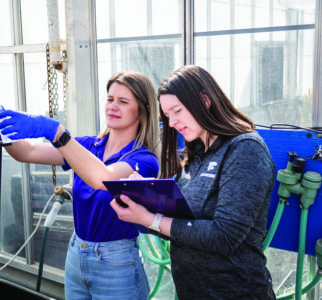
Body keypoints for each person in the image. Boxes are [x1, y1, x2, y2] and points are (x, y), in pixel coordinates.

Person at [0, 71, 160, 300]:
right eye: (110, 99)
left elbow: (102, 178)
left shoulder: (143, 160)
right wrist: (2, 130)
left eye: (123, 102)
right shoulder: (87, 146)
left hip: (116, 263)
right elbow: (28, 152)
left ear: (142, 111)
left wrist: (58, 133)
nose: (113, 106)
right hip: (76, 253)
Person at [110, 65, 276, 299]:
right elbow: (182, 225)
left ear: (205, 100)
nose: (172, 122)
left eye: (177, 111)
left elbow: (224, 236)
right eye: (167, 116)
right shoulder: (195, 154)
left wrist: (150, 219)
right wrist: (145, 193)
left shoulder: (245, 149)